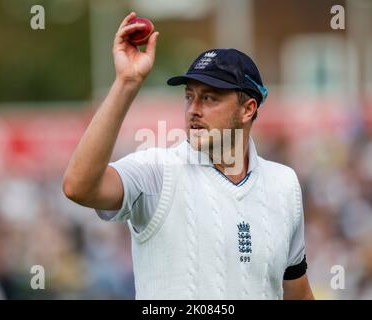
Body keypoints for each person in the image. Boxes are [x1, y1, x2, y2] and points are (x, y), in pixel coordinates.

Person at [63, 12, 314, 300]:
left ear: (248, 109)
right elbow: (78, 187)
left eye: (209, 97)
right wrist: (127, 83)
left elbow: (297, 292)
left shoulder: (284, 184)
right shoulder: (157, 169)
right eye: (189, 96)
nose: (193, 108)